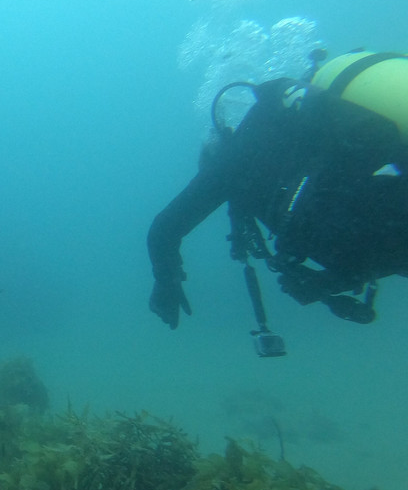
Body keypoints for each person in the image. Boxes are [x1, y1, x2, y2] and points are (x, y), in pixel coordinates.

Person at [148, 51, 408, 340]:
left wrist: (165, 281)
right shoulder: (306, 134)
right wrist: (330, 283)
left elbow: (165, 228)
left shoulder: (237, 156)